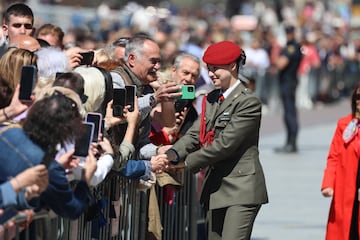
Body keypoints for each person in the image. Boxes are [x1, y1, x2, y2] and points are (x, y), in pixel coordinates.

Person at [161, 41, 268, 239]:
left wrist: (185, 163)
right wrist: (172, 154)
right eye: (209, 69)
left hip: (241, 187)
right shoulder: (211, 98)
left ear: (232, 66)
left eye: (216, 69)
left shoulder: (248, 102)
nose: (210, 74)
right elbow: (195, 133)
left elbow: (224, 145)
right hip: (215, 187)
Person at [321, 84, 360, 240]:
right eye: (357, 97)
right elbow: (334, 156)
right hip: (346, 191)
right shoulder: (344, 125)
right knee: (345, 231)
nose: (359, 101)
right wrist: (328, 184)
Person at [274, 25, 302, 153]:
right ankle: (290, 141)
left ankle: (292, 142)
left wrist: (275, 53)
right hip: (289, 82)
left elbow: (281, 64)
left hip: (288, 83)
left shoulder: (291, 48)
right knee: (288, 113)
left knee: (290, 113)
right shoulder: (293, 46)